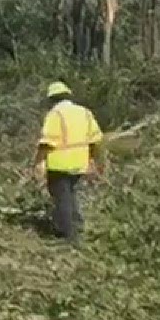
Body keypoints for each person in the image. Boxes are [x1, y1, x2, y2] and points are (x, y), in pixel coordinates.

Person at [35, 81, 104, 242]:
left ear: (52, 99)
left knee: (62, 197)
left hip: (59, 163)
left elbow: (47, 142)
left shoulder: (55, 114)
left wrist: (39, 162)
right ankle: (77, 225)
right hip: (80, 162)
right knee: (71, 194)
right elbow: (96, 139)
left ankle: (66, 233)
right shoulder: (84, 113)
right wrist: (92, 159)